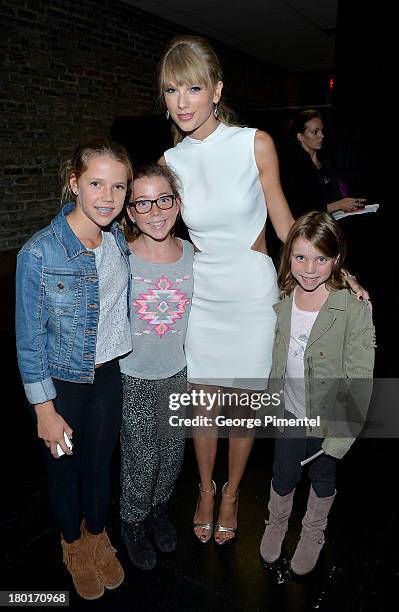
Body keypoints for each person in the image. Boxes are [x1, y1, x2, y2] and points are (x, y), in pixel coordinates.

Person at [157, 35, 295, 545]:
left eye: (194, 87)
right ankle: (205, 489)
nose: (183, 101)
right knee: (203, 405)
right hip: (204, 294)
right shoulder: (171, 160)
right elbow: (159, 227)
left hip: (253, 295)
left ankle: (233, 491)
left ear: (216, 90)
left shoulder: (254, 142)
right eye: (172, 90)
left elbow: (282, 221)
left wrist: (332, 269)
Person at [15, 139, 133, 600]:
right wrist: (44, 408)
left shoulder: (117, 239)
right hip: (60, 384)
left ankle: (98, 533)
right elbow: (28, 339)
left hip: (108, 377)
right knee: (64, 473)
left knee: (100, 467)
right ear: (74, 184)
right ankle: (72, 545)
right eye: (96, 183)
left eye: (117, 186)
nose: (107, 196)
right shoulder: (39, 253)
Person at [259, 211, 375, 575]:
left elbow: (360, 376)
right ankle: (276, 522)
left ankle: (313, 532)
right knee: (283, 473)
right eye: (300, 257)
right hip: (289, 412)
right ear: (288, 256)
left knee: (323, 477)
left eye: (321, 259)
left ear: (336, 259)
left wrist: (341, 434)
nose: (309, 268)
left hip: (328, 419)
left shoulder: (353, 308)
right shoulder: (281, 296)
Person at [119, 164, 193, 569]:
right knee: (140, 454)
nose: (155, 210)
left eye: (163, 199)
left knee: (172, 451)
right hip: (134, 376)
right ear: (130, 212)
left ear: (177, 205)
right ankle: (133, 518)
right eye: (142, 203)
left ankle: (160, 507)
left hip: (177, 371)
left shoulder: (193, 255)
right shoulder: (122, 257)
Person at [280, 109, 368, 218]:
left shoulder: (325, 161)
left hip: (331, 222)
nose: (322, 135)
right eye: (315, 132)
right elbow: (299, 209)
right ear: (300, 137)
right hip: (310, 228)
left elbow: (334, 194)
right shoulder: (293, 167)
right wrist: (339, 205)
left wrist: (349, 203)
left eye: (321, 130)